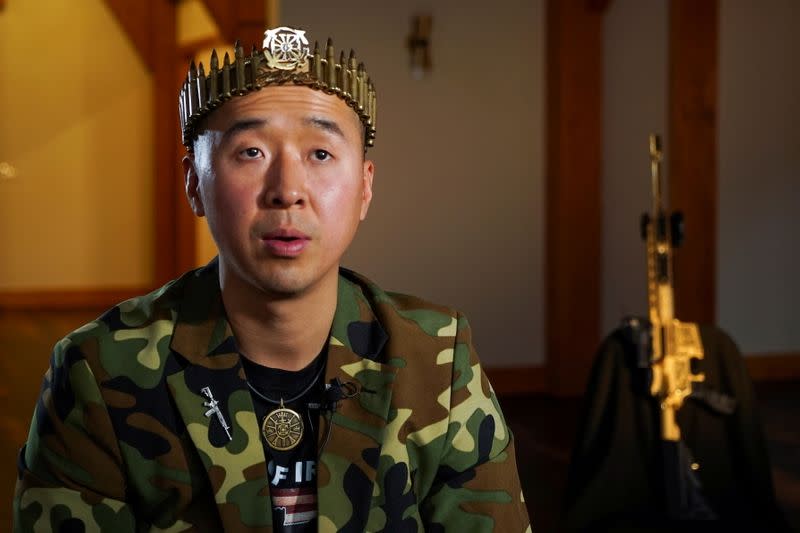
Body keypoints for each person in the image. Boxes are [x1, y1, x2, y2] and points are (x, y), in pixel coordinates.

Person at [13, 26, 531, 532]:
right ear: (194, 183)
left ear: (364, 189)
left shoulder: (436, 357)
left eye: (320, 154)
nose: (287, 190)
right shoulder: (100, 370)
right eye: (251, 152)